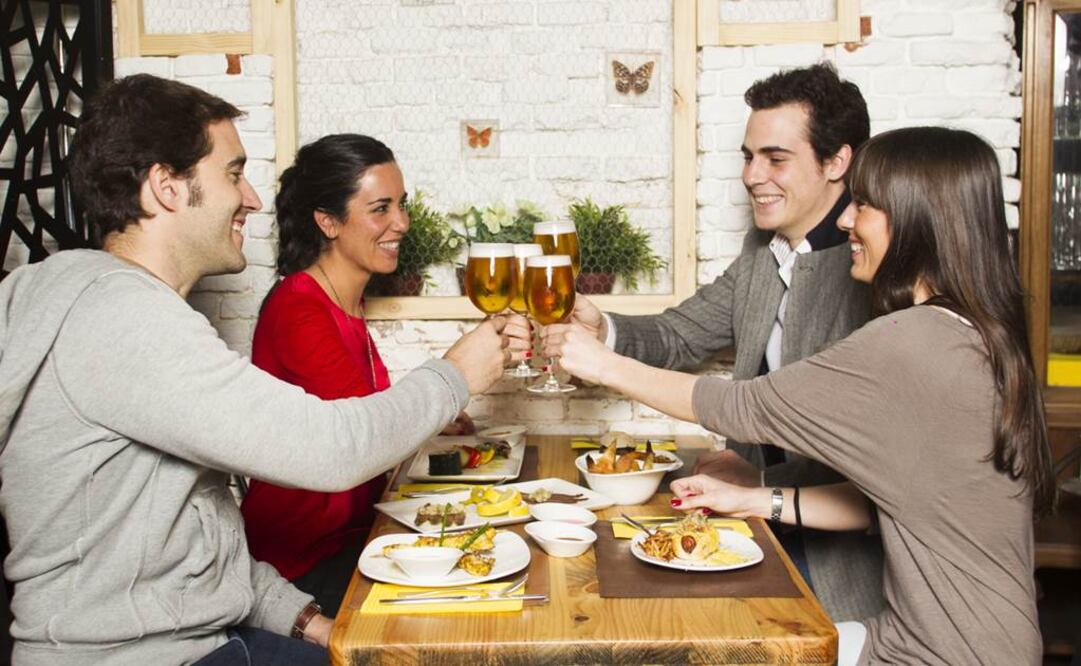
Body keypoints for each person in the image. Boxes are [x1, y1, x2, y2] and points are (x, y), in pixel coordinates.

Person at [0, 74, 527, 665]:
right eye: (232, 174)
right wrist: (455, 373)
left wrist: (310, 623)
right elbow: (331, 449)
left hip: (204, 641)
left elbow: (198, 541)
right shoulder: (121, 319)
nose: (250, 198)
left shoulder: (129, 314)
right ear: (166, 187)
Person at [547, 126, 1055, 665]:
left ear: (918, 218)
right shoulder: (974, 331)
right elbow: (880, 504)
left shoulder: (909, 341)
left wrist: (604, 366)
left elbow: (743, 407)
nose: (846, 219)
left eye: (864, 204)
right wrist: (753, 497)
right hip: (926, 639)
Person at [549, 62, 883, 621]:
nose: (753, 175)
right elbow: (679, 334)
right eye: (748, 157)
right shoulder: (764, 252)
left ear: (836, 162)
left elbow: (860, 453)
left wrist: (759, 482)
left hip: (835, 564)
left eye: (775, 158)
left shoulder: (871, 271)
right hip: (748, 527)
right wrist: (600, 326)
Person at [240, 134, 472, 613]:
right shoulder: (299, 308)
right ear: (328, 221)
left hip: (355, 538)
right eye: (381, 208)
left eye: (401, 205)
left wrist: (434, 421)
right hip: (303, 562)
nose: (402, 223)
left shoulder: (343, 301)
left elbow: (359, 409)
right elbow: (362, 439)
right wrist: (453, 380)